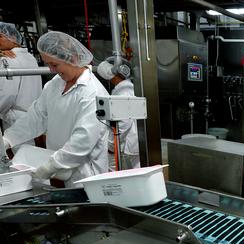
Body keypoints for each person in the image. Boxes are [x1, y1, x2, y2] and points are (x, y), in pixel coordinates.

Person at [3, 31, 110, 187]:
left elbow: (83, 140)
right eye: (48, 64)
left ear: (72, 59)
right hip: (58, 170)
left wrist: (50, 166)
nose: (51, 70)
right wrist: (8, 139)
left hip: (85, 177)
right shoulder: (55, 84)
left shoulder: (93, 92)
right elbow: (36, 117)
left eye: (54, 64)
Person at [0, 22, 42, 153]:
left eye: (0, 37)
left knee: (21, 157)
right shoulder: (30, 57)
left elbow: (7, 93)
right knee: (29, 153)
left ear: (11, 38)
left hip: (15, 116)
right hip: (33, 113)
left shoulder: (7, 59)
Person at [97, 55, 140, 170]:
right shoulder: (126, 89)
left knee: (131, 174)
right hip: (132, 142)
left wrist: (111, 145)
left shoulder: (123, 93)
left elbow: (123, 123)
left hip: (128, 144)